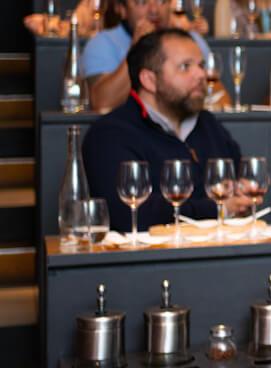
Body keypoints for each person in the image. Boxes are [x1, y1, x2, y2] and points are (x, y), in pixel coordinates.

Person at [81, 28, 249, 232]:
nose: (201, 75)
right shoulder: (109, 134)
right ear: (149, 80)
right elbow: (132, 215)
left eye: (201, 66)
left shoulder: (208, 124)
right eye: (185, 67)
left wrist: (244, 193)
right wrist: (218, 209)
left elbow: (241, 182)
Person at [82, 0, 215, 112]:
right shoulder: (102, 43)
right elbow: (102, 103)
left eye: (161, 0)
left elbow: (220, 97)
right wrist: (137, 48)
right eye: (142, 2)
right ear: (122, 9)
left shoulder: (190, 41)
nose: (154, 10)